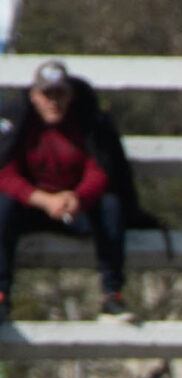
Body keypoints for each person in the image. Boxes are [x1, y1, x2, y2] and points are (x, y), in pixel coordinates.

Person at [0, 61, 137, 324]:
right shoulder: (17, 123)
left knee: (111, 206)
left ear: (70, 95)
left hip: (76, 210)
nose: (53, 102)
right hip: (32, 208)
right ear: (34, 96)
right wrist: (43, 200)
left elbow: (101, 170)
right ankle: (1, 296)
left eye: (59, 94)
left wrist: (77, 198)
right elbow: (4, 173)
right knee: (1, 206)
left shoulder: (89, 123)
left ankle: (112, 294)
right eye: (46, 94)